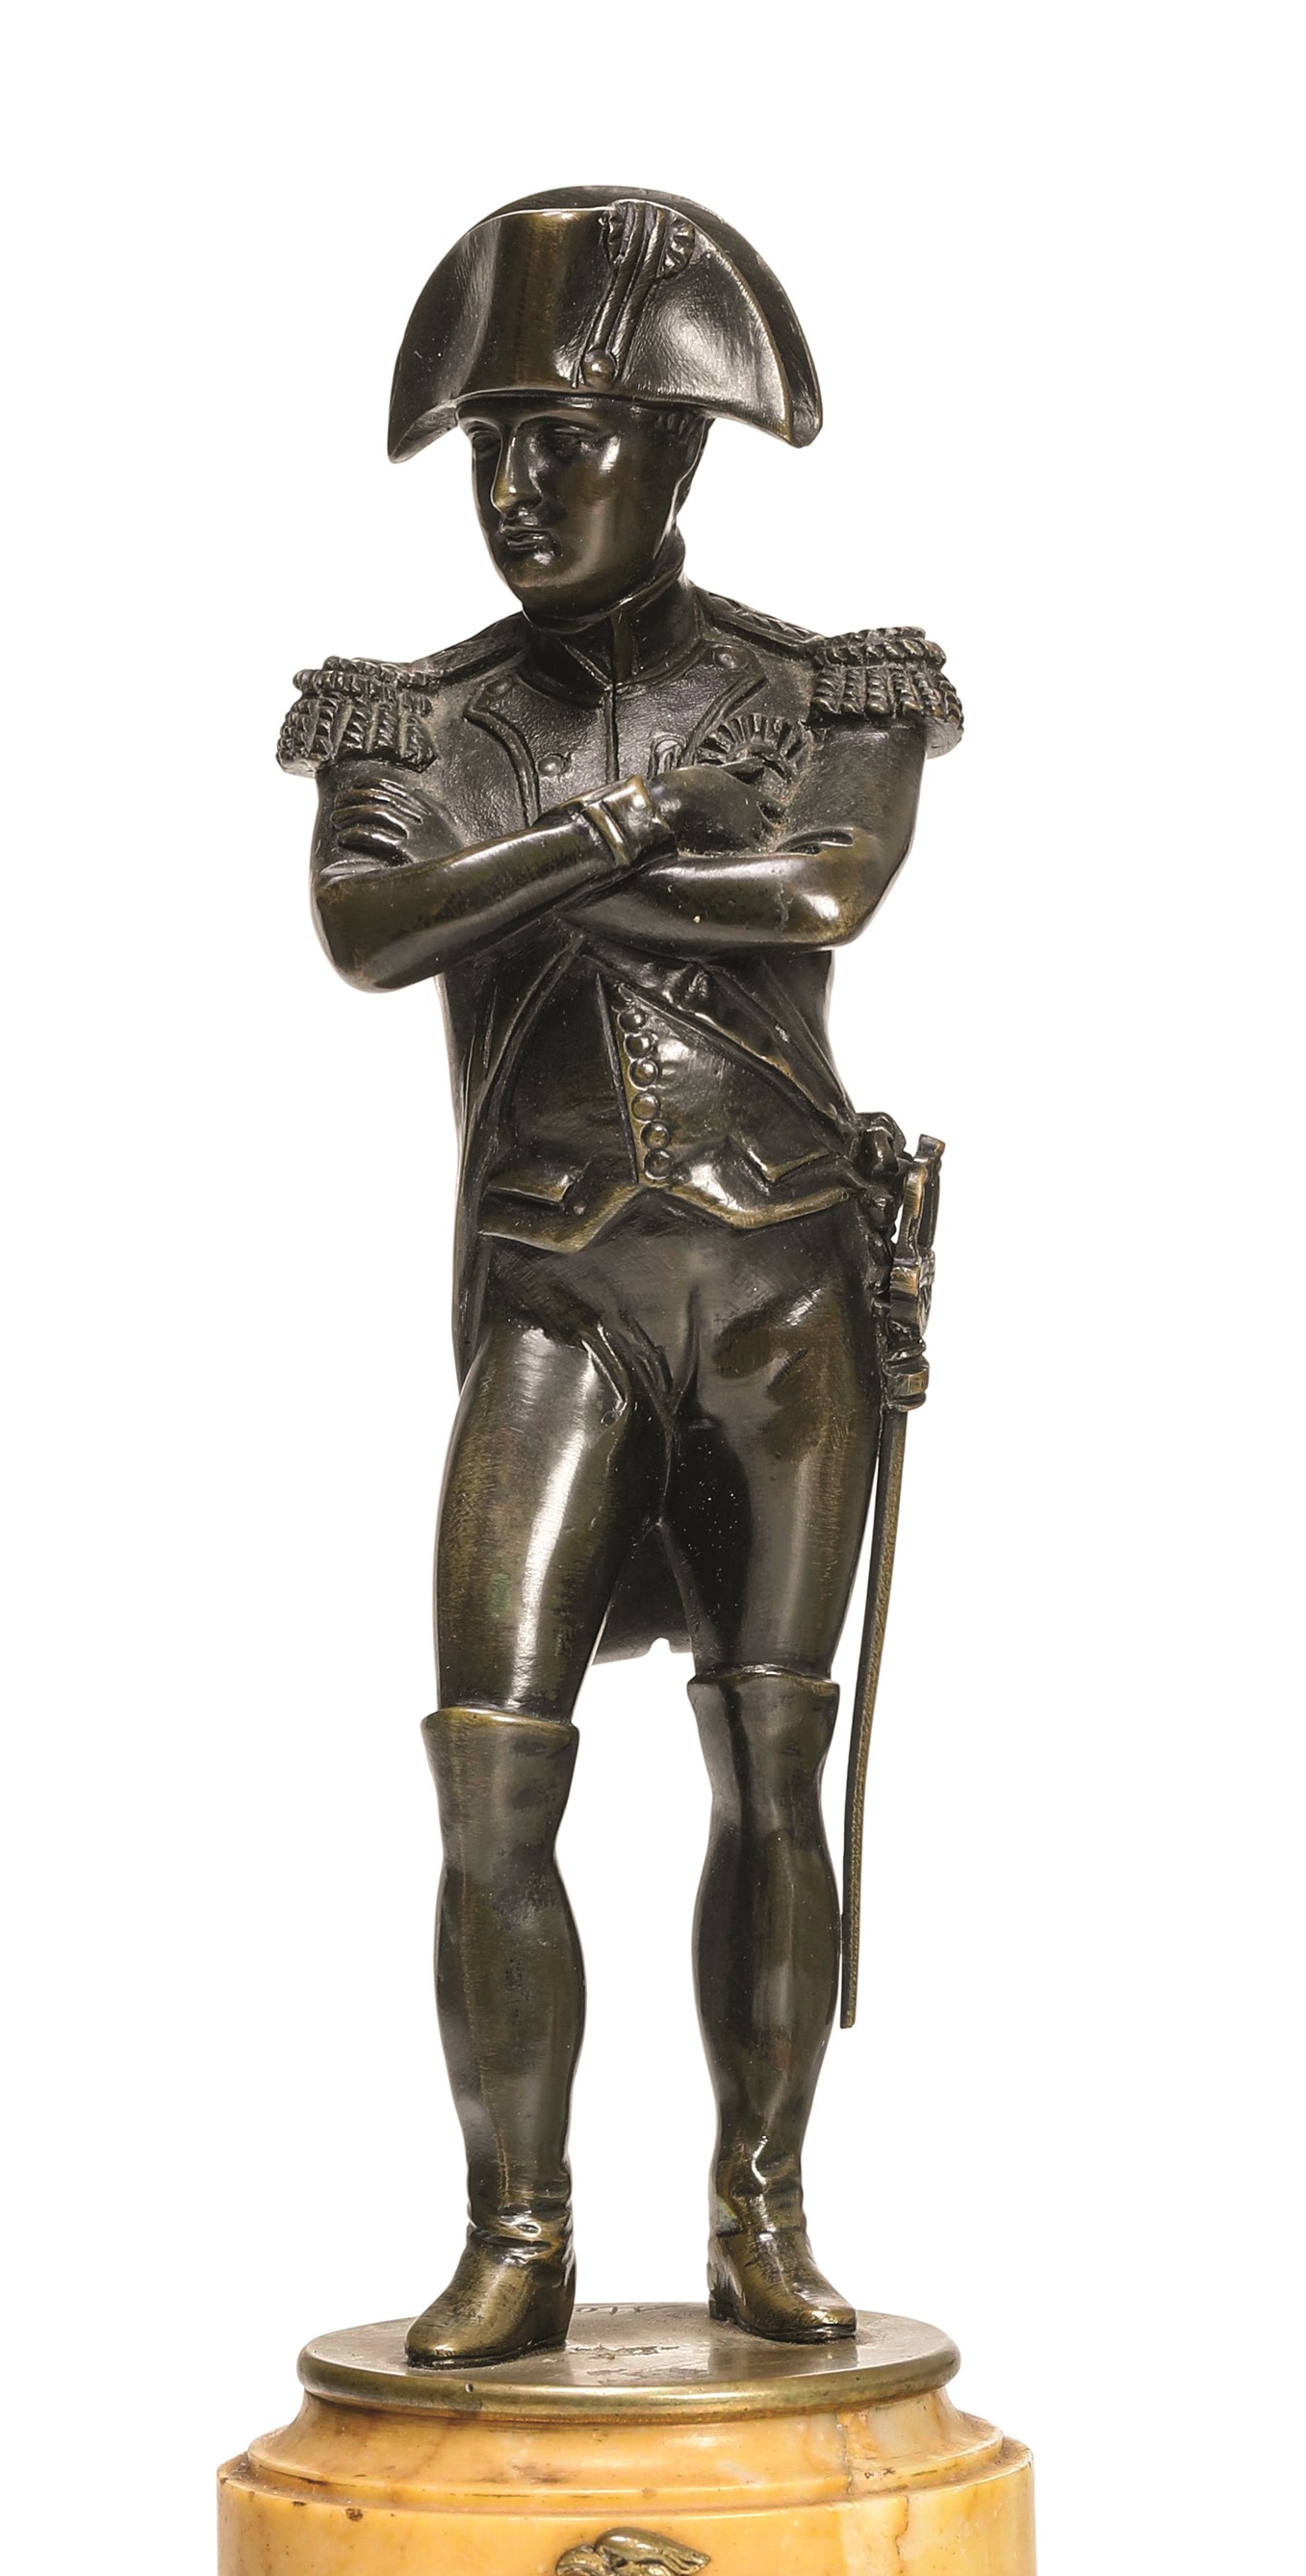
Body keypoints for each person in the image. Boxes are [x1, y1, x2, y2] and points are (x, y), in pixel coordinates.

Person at [280, 188, 960, 2363]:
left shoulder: (829, 688)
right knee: (493, 1765)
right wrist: (617, 836)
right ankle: (521, 2230)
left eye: (562, 442)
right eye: (491, 448)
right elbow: (370, 930)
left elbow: (824, 889)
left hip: (780, 1297)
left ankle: (762, 2210)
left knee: (772, 1759)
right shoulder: (406, 722)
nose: (515, 490)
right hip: (557, 1299)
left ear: (672, 453)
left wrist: (542, 880)